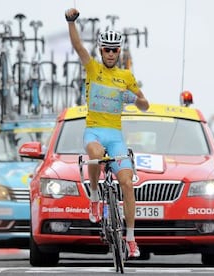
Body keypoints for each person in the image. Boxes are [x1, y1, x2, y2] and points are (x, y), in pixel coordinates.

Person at [65, 8, 150, 259]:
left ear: (119, 52)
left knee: (127, 182)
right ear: (101, 50)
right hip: (94, 133)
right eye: (107, 49)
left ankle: (131, 238)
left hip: (116, 136)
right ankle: (93, 195)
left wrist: (134, 99)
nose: (111, 54)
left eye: (115, 50)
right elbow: (78, 46)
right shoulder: (92, 68)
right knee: (95, 153)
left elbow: (145, 104)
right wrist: (71, 22)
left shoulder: (126, 76)